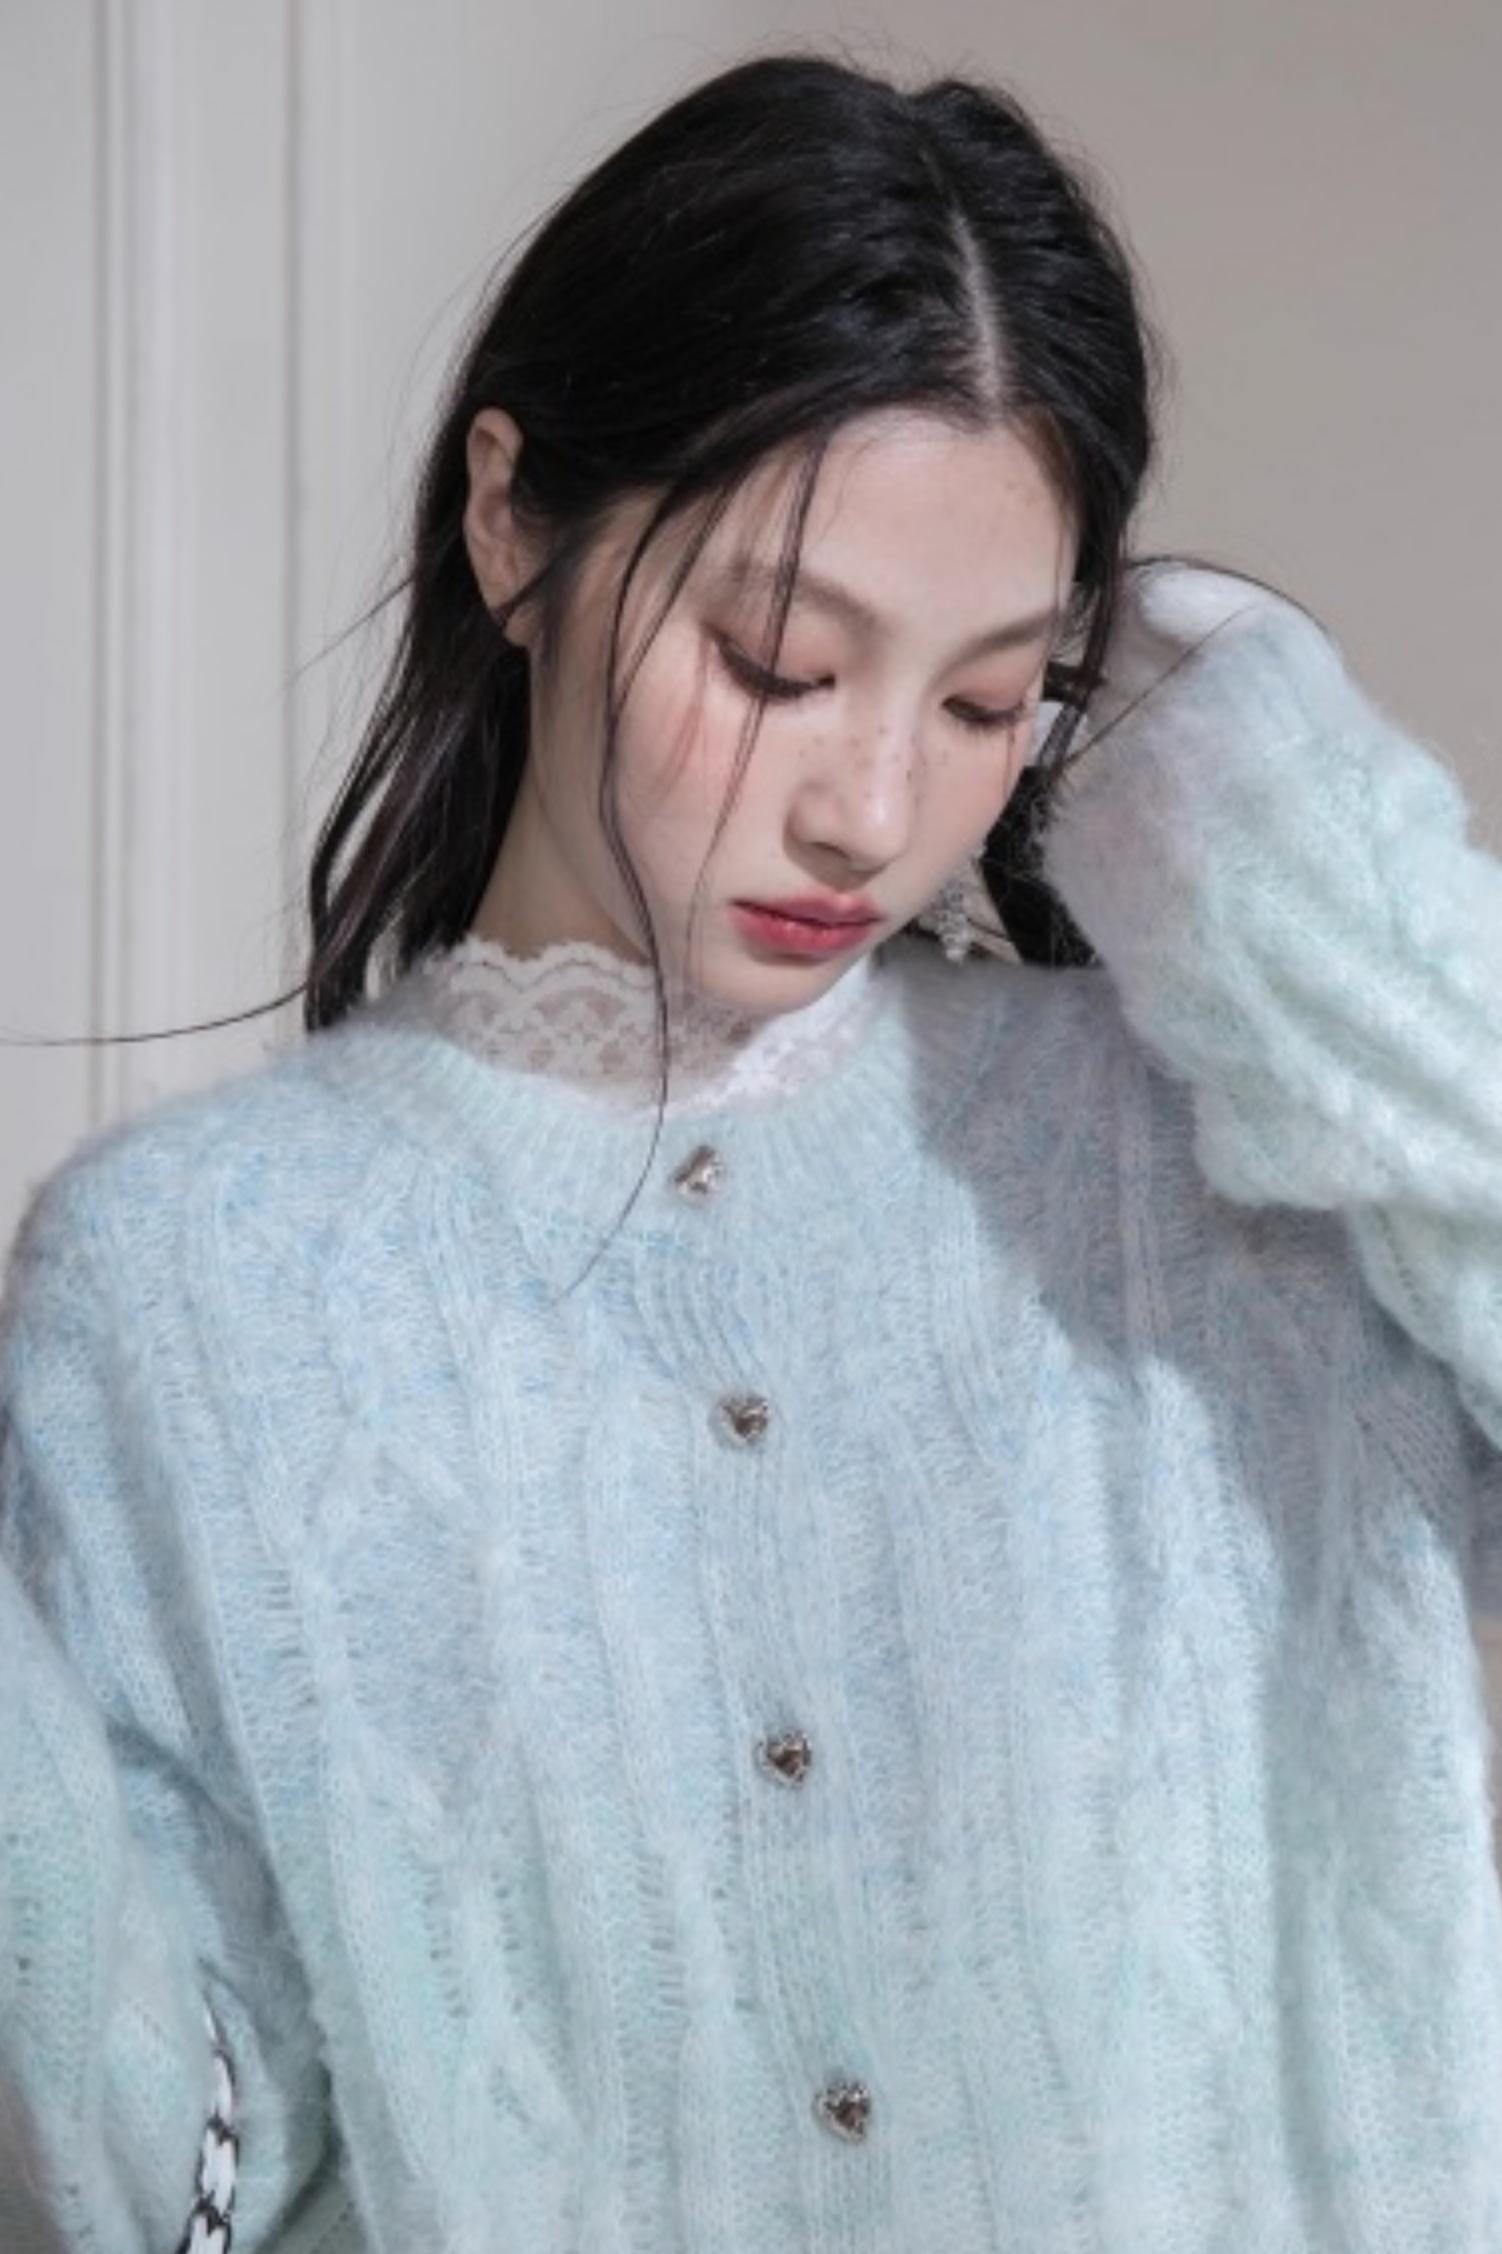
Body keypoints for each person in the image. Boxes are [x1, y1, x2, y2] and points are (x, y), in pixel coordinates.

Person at [3, 45, 1501, 2254]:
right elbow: (168, 2175)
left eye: (987, 700)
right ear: (513, 522)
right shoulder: (190, 1283)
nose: (874, 811)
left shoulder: (1205, 1155)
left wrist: (1291, 854)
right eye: (780, 662)